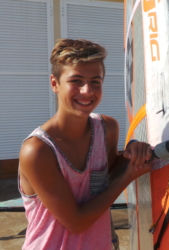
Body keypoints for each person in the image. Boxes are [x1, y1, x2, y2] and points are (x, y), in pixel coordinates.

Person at [18, 39, 152, 250]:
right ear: (55, 84)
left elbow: (107, 174)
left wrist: (132, 152)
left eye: (96, 81)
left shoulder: (107, 128)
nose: (87, 91)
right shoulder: (37, 151)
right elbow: (76, 222)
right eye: (76, 81)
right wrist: (128, 177)